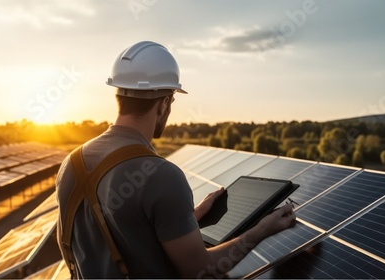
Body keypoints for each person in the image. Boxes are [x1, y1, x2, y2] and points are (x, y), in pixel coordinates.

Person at [56, 41, 296, 278]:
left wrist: (188, 218)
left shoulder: (71, 164)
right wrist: (261, 230)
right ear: (164, 103)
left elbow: (82, 243)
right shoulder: (161, 176)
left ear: (118, 95)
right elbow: (200, 271)